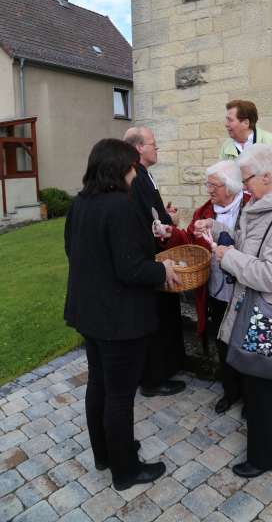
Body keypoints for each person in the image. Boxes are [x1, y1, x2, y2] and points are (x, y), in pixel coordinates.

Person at [64, 139, 180, 491]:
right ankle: (125, 470)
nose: (135, 173)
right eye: (131, 167)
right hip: (118, 319)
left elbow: (75, 250)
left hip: (90, 312)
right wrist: (162, 270)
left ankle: (106, 453)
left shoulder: (81, 203)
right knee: (119, 395)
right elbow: (131, 268)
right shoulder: (121, 206)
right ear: (118, 168)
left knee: (99, 384)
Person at [196, 144, 272, 478]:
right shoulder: (262, 206)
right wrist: (220, 232)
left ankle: (265, 459)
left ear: (267, 176)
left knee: (260, 388)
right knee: (269, 384)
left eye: (247, 177)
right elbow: (250, 246)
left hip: (270, 315)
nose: (243, 184)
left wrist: (227, 257)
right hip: (255, 310)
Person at [156, 160, 250, 415]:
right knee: (223, 343)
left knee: (246, 345)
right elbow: (188, 239)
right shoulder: (204, 211)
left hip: (246, 291)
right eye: (207, 184)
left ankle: (251, 398)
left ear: (230, 187)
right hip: (218, 291)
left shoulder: (251, 204)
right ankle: (231, 392)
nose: (209, 190)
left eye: (214, 185)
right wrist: (170, 233)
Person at [123, 126, 186, 397]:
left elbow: (151, 211)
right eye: (153, 143)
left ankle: (164, 368)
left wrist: (163, 214)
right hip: (150, 259)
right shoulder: (135, 177)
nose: (156, 147)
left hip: (155, 254)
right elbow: (142, 218)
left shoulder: (144, 174)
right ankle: (153, 378)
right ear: (139, 147)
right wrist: (166, 221)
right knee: (155, 318)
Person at [219, 99, 272, 184]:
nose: (226, 124)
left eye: (230, 120)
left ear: (246, 123)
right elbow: (222, 179)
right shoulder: (226, 147)